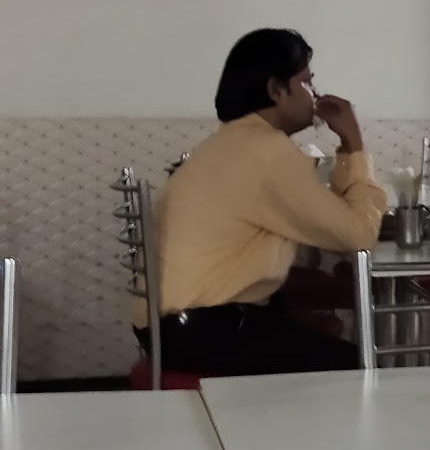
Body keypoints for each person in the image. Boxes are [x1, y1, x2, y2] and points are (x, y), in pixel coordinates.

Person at [134, 27, 386, 376]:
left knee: (301, 321)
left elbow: (335, 219)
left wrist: (348, 152)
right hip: (197, 327)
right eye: (307, 82)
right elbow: (358, 234)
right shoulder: (266, 152)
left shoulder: (237, 141)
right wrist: (354, 142)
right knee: (355, 365)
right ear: (276, 90)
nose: (316, 94)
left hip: (172, 322)